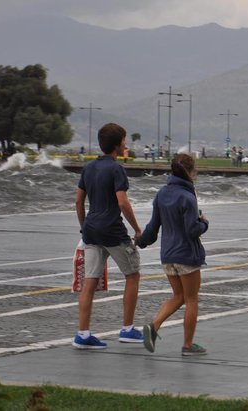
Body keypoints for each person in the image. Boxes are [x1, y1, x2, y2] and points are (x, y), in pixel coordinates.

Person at [73, 123, 144, 349]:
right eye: (124, 140)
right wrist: (137, 229)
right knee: (132, 275)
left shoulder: (89, 167)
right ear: (118, 144)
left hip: (91, 230)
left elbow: (78, 201)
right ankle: (127, 329)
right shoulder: (116, 169)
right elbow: (122, 202)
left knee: (89, 281)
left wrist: (84, 226)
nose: (126, 144)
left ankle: (82, 334)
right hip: (113, 231)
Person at [137, 153, 209, 356]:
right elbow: (192, 230)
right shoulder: (188, 196)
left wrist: (141, 242)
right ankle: (188, 345)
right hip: (186, 255)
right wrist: (204, 222)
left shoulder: (161, 193)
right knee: (192, 299)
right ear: (190, 172)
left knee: (179, 296)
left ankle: (154, 326)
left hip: (167, 255)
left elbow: (153, 227)